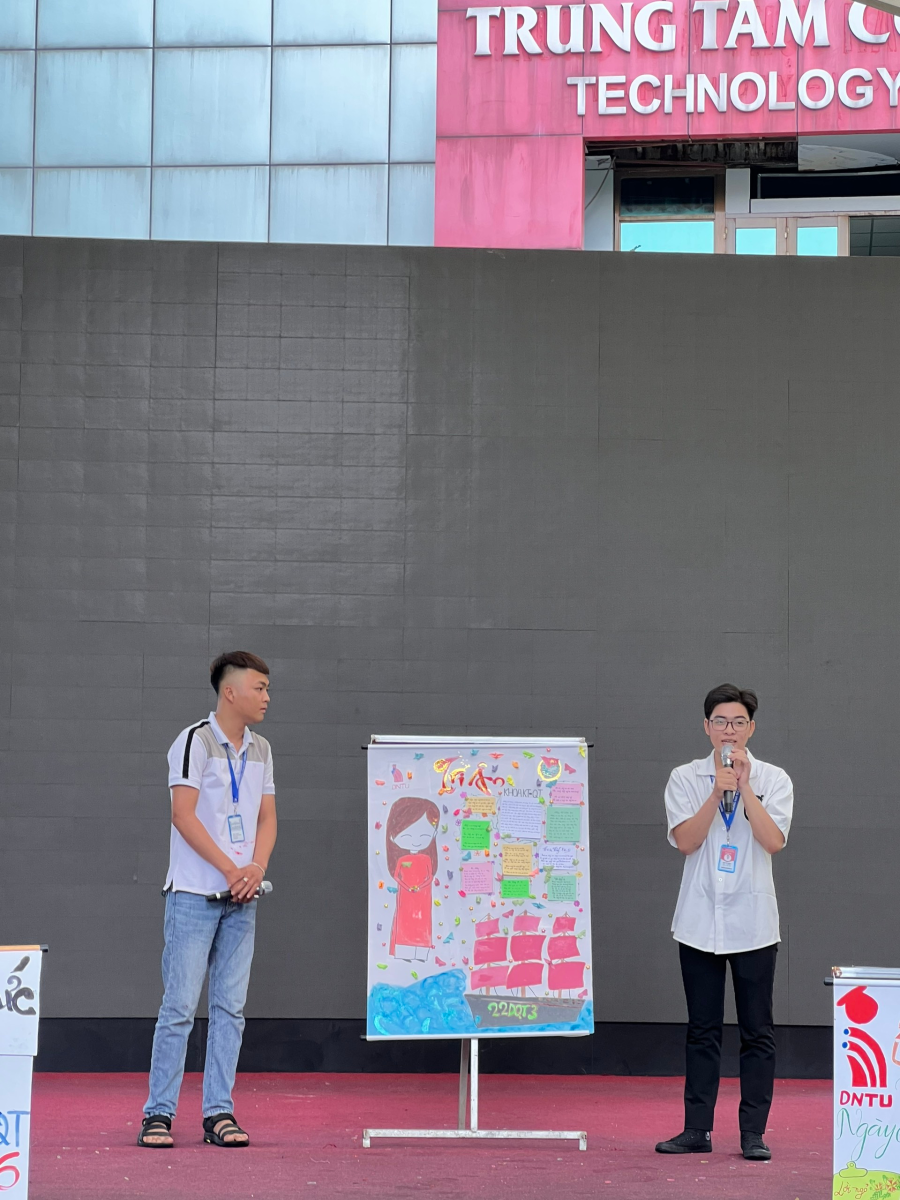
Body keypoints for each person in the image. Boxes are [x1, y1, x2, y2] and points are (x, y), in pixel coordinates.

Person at [138, 651, 277, 1150]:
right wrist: (230, 869)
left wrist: (255, 869)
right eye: (259, 687)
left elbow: (267, 818)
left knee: (230, 1010)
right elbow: (183, 814)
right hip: (194, 895)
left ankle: (219, 1112)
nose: (266, 697)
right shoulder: (194, 741)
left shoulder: (262, 749)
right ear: (229, 691)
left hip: (243, 897)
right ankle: (158, 1114)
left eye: (267, 688)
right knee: (179, 1007)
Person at [655, 684, 793, 1163]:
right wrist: (718, 790)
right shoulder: (685, 777)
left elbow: (773, 841)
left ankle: (753, 1133)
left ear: (751, 728)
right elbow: (686, 842)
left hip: (754, 923)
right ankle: (697, 1129)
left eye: (737, 722)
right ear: (706, 727)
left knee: (757, 1031)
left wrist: (745, 787)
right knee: (702, 1029)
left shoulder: (774, 778)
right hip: (699, 921)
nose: (728, 730)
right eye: (720, 722)